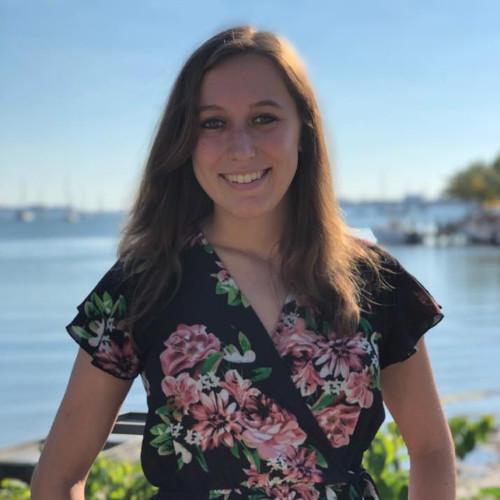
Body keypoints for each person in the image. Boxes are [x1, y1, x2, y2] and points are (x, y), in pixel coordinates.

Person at [30, 26, 456, 500]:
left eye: (264, 118)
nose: (242, 148)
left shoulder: (373, 280)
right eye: (212, 123)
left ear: (303, 132)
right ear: (186, 141)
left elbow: (432, 449)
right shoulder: (145, 283)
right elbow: (59, 476)